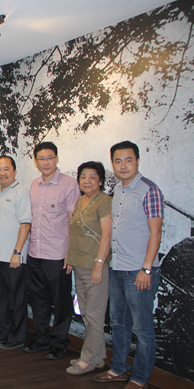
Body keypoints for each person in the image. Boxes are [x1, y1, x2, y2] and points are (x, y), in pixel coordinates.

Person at [92, 141, 164, 389]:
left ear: (138, 160)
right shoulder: (118, 190)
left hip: (139, 271)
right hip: (118, 267)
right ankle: (118, 369)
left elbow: (156, 233)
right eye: (118, 161)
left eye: (128, 160)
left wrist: (146, 269)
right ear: (113, 164)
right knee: (118, 323)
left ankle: (140, 378)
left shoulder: (149, 190)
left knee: (142, 329)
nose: (123, 165)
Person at [23, 141, 80, 360]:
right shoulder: (34, 185)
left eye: (49, 158)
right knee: (39, 299)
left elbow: (73, 221)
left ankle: (59, 342)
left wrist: (71, 253)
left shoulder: (69, 184)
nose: (45, 162)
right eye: (41, 158)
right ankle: (41, 338)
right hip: (35, 252)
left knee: (61, 301)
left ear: (56, 159)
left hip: (58, 255)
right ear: (36, 161)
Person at [65, 161, 112, 375]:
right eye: (83, 177)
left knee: (94, 315)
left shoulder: (105, 201)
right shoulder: (80, 201)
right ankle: (98, 357)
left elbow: (107, 235)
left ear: (100, 180)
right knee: (85, 312)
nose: (87, 181)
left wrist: (99, 265)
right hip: (79, 265)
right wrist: (69, 255)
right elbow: (74, 232)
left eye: (92, 177)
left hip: (95, 267)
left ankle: (87, 359)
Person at [0, 155, 31, 350]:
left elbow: (25, 224)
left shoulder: (21, 192)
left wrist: (17, 252)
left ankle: (18, 337)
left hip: (13, 257)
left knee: (16, 299)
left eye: (6, 169)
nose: (2, 173)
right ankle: (3, 332)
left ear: (14, 171)